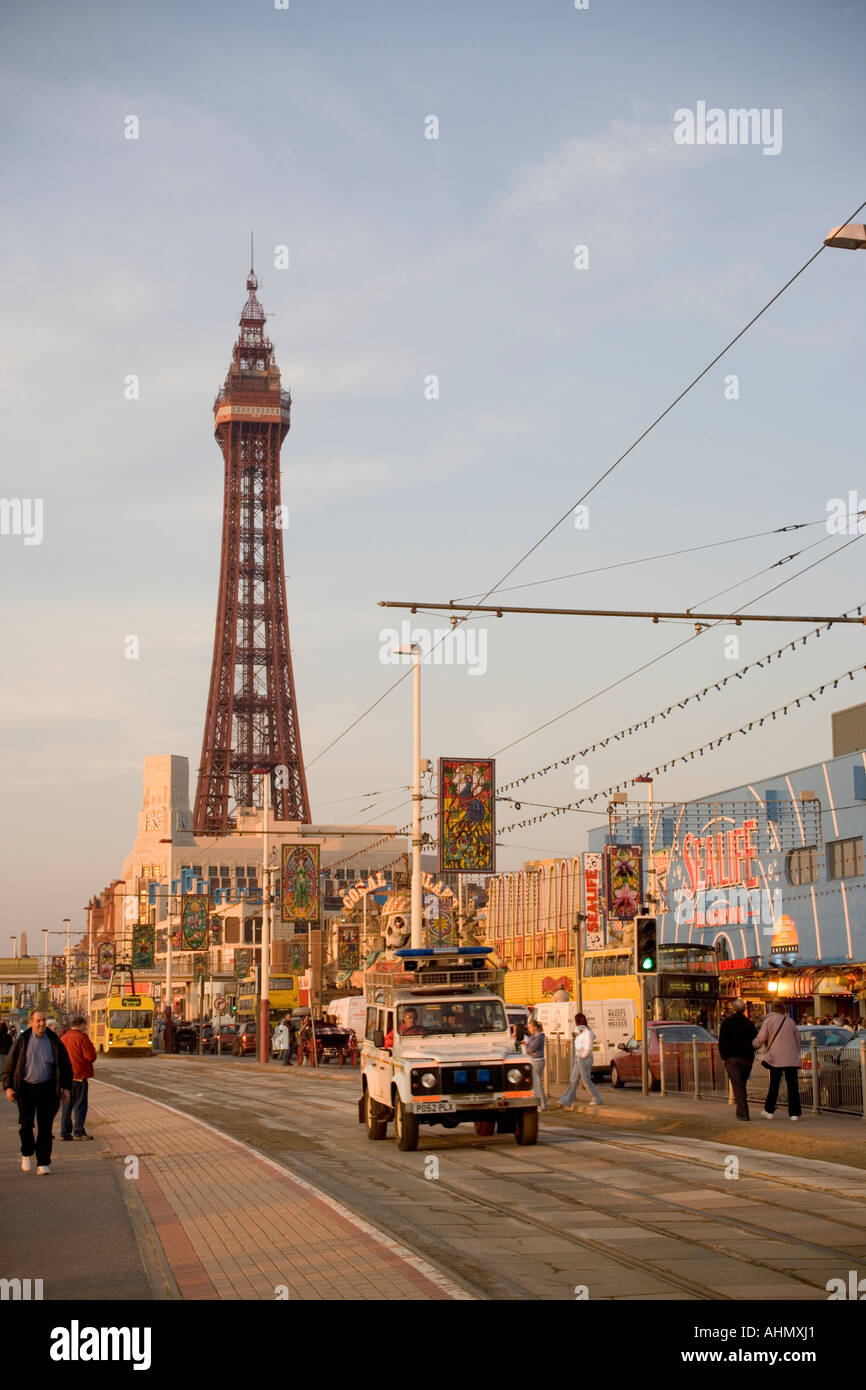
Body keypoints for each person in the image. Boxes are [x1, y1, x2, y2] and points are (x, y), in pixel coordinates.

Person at [2, 1008, 73, 1174]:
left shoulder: (54, 1041)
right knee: (26, 1125)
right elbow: (9, 1066)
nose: (42, 1023)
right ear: (31, 1023)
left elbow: (65, 1066)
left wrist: (66, 1088)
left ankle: (43, 1163)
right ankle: (26, 1153)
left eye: (43, 1020)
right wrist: (8, 1087)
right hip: (26, 1088)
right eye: (38, 1021)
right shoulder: (22, 1041)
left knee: (45, 1128)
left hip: (47, 1089)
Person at [753, 1002, 802, 1120]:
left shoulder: (768, 1021)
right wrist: (796, 1054)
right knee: (793, 1086)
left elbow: (761, 1038)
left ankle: (769, 1110)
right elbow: (797, 1041)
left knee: (774, 1085)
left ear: (772, 1010)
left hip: (776, 1058)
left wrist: (752, 1045)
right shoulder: (790, 1022)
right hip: (791, 1058)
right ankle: (794, 1113)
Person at [718, 1000, 757, 1121]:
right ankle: (740, 1111)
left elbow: (722, 1041)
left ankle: (743, 1113)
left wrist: (724, 1057)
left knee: (738, 1085)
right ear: (744, 1009)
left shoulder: (727, 1023)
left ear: (733, 1009)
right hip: (746, 1058)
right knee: (741, 1084)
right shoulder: (749, 1024)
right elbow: (755, 1040)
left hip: (732, 1058)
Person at [59, 1014, 97, 1140]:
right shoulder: (82, 1038)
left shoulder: (64, 1038)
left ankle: (64, 1132)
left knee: (66, 1106)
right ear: (81, 1025)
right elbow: (90, 1056)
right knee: (80, 1105)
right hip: (79, 1076)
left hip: (66, 1078)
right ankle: (79, 1131)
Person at [554, 1012, 603, 1109]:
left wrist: (582, 1056)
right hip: (579, 1058)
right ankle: (566, 1099)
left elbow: (588, 1047)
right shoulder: (582, 1032)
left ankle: (597, 1097)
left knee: (585, 1080)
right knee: (574, 1079)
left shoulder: (587, 1033)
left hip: (583, 1058)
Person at [524, 1019, 548, 1111]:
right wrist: (530, 1050)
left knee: (537, 1083)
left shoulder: (539, 1036)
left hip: (538, 1061)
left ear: (534, 1027)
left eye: (530, 1027)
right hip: (534, 1060)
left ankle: (541, 1104)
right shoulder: (533, 1036)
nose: (529, 1029)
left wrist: (530, 1050)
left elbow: (532, 1048)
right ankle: (542, 1104)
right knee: (536, 1083)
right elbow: (528, 1047)